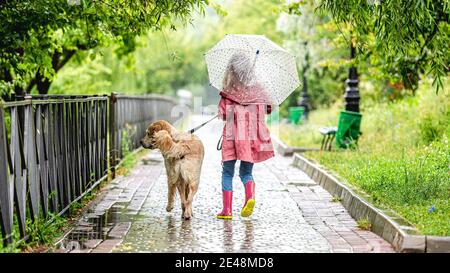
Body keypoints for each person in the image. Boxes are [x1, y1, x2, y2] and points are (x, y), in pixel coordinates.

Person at [216, 52, 275, 220]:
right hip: (250, 139)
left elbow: (222, 115)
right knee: (246, 173)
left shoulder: (228, 92)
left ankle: (227, 210)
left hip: (231, 138)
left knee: (227, 173)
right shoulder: (258, 90)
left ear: (231, 72)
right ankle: (250, 197)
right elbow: (269, 109)